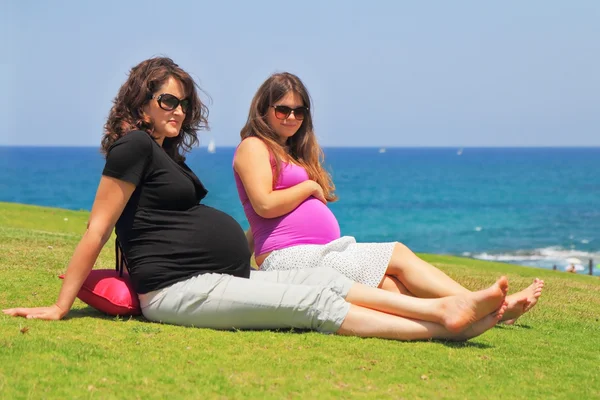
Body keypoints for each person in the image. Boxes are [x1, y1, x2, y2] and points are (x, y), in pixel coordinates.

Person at [3, 57, 509, 342]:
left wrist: (242, 243)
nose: (178, 110)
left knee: (326, 279)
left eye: (184, 102)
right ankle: (444, 326)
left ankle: (447, 303)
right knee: (309, 301)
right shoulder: (133, 146)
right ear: (141, 103)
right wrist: (59, 305)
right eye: (167, 101)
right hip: (179, 291)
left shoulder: (163, 155)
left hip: (220, 275)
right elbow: (98, 227)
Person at [233, 72, 544, 325]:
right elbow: (264, 204)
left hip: (315, 252)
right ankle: (484, 305)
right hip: (293, 258)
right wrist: (309, 189)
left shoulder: (288, 152)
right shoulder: (254, 146)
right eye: (283, 109)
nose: (291, 117)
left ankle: (487, 311)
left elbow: (259, 223)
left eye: (299, 111)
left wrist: (243, 252)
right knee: (395, 259)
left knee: (394, 283)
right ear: (264, 110)